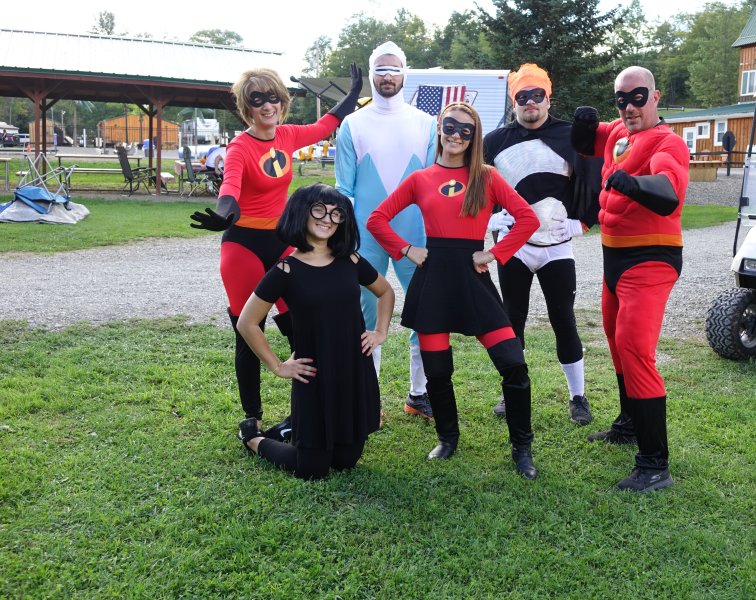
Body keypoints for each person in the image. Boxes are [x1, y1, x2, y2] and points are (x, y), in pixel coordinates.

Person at [367, 102, 542, 479]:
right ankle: (447, 438)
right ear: (440, 128)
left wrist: (495, 253)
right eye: (450, 126)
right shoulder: (420, 178)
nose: (456, 135)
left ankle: (522, 447)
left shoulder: (488, 176)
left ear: (474, 137)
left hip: (472, 278)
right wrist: (406, 249)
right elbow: (376, 219)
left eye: (466, 130)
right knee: (438, 371)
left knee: (513, 363)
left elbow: (528, 218)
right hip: (433, 282)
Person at [190, 65, 362, 440]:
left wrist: (352, 95)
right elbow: (230, 188)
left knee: (301, 325)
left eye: (272, 97)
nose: (266, 105)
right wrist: (223, 215)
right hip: (242, 246)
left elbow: (324, 125)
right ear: (246, 108)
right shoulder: (239, 147)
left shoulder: (286, 135)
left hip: (283, 241)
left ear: (282, 103)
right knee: (249, 328)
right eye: (257, 100)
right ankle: (251, 416)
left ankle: (310, 407)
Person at [571, 66, 689, 492]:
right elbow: (584, 142)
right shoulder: (620, 132)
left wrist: (634, 184)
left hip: (651, 257)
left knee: (636, 348)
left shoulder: (666, 142)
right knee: (617, 341)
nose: (629, 106)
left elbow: (669, 189)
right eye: (621, 99)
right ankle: (628, 423)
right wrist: (584, 125)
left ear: (655, 96)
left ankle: (655, 464)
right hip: (613, 257)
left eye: (638, 97)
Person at [235, 184, 391, 479]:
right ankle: (253, 439)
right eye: (319, 209)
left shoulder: (351, 261)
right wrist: (279, 366)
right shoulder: (286, 270)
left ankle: (291, 427)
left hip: (352, 369)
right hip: (314, 375)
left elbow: (385, 292)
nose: (328, 219)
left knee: (346, 461)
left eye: (336, 213)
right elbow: (247, 322)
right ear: (301, 213)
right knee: (312, 469)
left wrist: (380, 332)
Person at [483, 63, 592, 426]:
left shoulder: (571, 135)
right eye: (522, 96)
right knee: (512, 318)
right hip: (514, 245)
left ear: (549, 97)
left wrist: (583, 221)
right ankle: (511, 387)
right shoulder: (494, 142)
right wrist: (488, 219)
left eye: (537, 95)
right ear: (513, 101)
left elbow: (596, 177)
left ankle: (578, 395)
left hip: (557, 244)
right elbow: (476, 188)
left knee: (563, 317)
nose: (530, 102)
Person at [335, 41, 437, 421]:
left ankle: (419, 393)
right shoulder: (353, 124)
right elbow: (344, 188)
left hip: (415, 236)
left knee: (424, 313)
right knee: (365, 317)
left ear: (405, 73)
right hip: (365, 235)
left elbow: (431, 184)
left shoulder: (426, 123)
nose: (387, 75)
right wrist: (341, 236)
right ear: (371, 73)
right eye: (380, 69)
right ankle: (368, 396)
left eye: (394, 69)